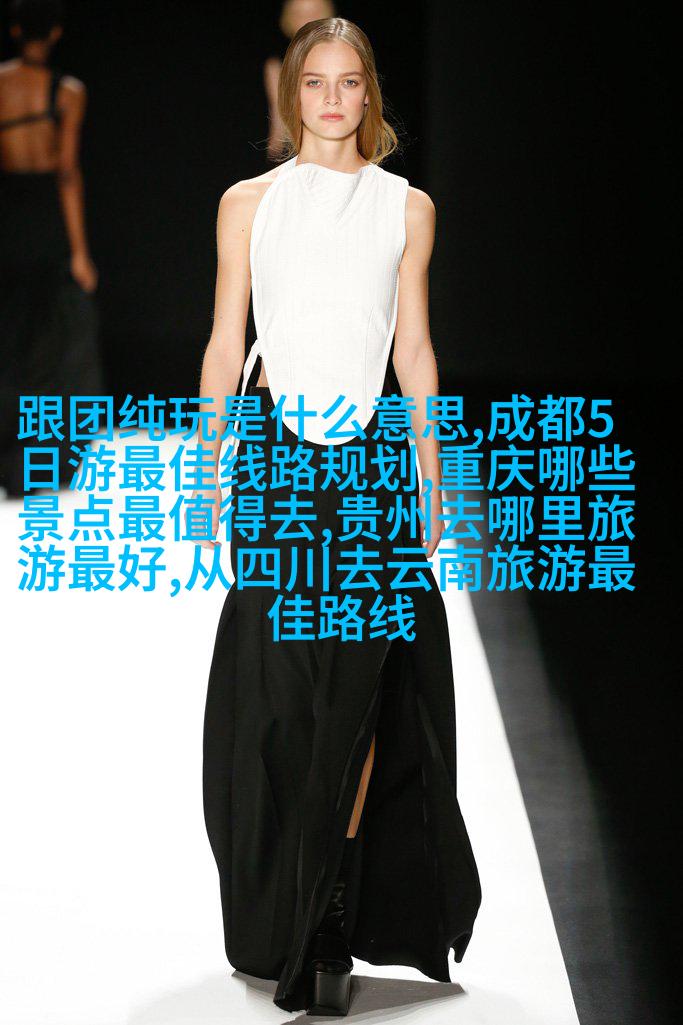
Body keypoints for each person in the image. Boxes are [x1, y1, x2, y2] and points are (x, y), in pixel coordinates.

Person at [197, 17, 482, 1016]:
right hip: (275, 460)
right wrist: (209, 463)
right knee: (282, 694)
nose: (329, 98)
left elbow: (415, 351)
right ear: (293, 93)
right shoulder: (247, 204)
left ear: (369, 95)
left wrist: (434, 475)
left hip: (369, 468)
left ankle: (326, 914)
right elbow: (225, 341)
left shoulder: (407, 208)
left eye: (347, 81)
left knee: (357, 690)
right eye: (313, 81)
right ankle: (282, 893)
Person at [0, 0, 101, 497]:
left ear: (16, 29)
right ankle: (46, 466)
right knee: (56, 346)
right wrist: (80, 252)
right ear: (56, 32)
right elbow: (66, 174)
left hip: (8, 219)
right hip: (47, 224)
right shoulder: (67, 91)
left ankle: (10, 468)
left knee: (9, 342)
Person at [263, 0, 335, 161]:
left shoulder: (345, 56)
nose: (309, 20)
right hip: (299, 147)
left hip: (339, 142)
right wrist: (276, 149)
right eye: (299, 14)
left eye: (315, 12)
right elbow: (279, 114)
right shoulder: (278, 64)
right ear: (287, 20)